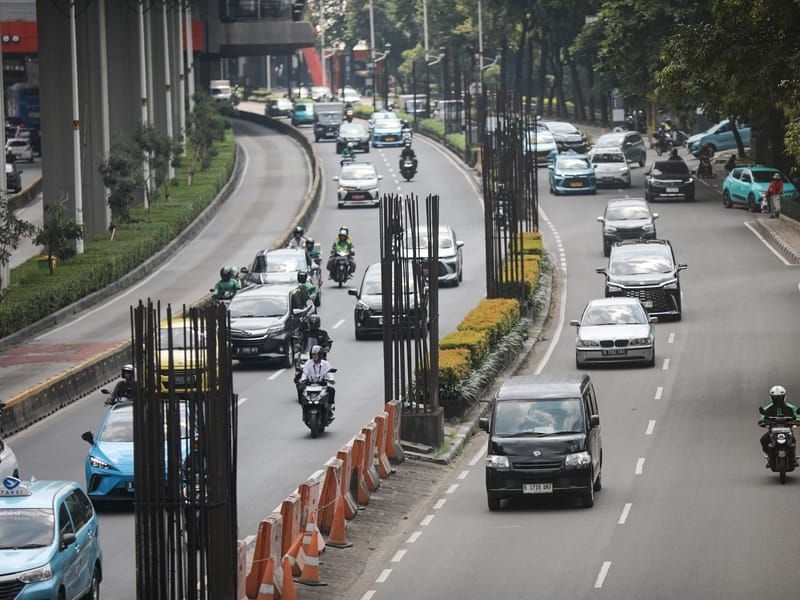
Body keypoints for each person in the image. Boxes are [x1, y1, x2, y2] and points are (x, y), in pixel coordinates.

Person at [759, 385, 798, 458]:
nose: (777, 399)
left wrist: (797, 420)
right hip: (773, 430)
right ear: (771, 397)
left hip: (787, 430)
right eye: (775, 397)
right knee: (763, 440)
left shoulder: (791, 408)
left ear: (784, 397)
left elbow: (797, 415)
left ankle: (793, 458)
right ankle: (770, 456)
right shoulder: (768, 408)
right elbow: (763, 417)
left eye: (780, 397)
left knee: (792, 441)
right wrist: (762, 421)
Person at [299, 345, 336, 415]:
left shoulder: (326, 364)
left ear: (320, 355)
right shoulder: (308, 363)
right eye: (313, 355)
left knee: (331, 390)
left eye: (316, 355)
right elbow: (305, 373)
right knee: (300, 389)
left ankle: (329, 409)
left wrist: (331, 380)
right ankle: (304, 407)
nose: (314, 356)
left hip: (322, 385)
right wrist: (302, 379)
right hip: (310, 384)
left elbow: (330, 374)